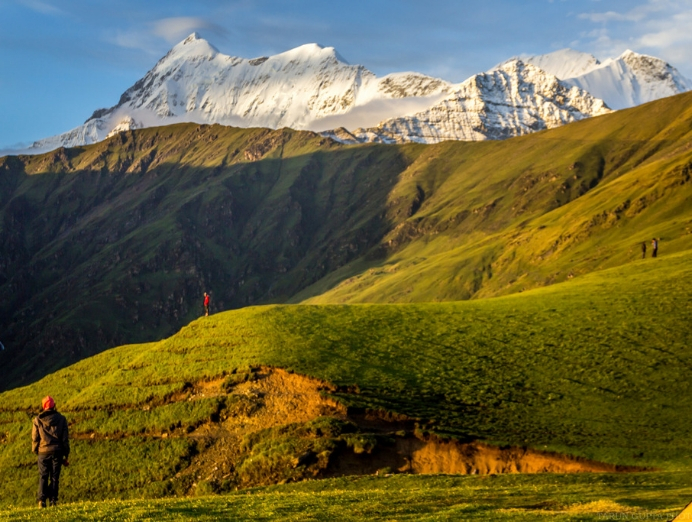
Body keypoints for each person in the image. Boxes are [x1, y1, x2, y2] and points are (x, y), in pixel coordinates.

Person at [32, 396, 69, 508]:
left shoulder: (37, 420)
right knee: (54, 477)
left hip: (43, 452)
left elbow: (35, 437)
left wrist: (35, 450)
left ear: (43, 406)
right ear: (54, 405)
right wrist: (66, 454)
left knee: (43, 476)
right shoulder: (62, 419)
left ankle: (41, 501)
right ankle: (53, 501)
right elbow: (65, 439)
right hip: (57, 452)